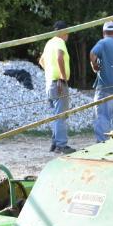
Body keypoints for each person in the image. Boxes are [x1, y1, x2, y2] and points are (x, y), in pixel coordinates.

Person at [39, 21, 74, 154]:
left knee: (56, 114)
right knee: (61, 116)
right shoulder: (59, 42)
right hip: (59, 83)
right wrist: (62, 76)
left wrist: (50, 72)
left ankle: (54, 143)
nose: (68, 35)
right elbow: (60, 57)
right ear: (63, 32)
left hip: (49, 83)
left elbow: (41, 61)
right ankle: (61, 145)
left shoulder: (49, 43)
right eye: (67, 32)